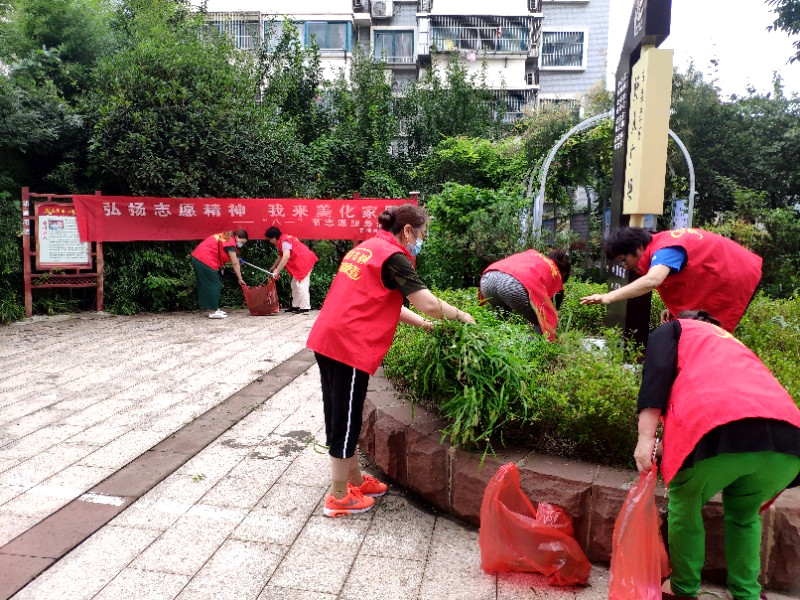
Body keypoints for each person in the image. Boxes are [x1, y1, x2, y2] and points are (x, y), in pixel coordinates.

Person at [306, 204, 476, 518]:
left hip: (329, 337)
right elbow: (429, 304)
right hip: (349, 345)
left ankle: (354, 479)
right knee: (345, 419)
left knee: (341, 411)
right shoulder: (394, 257)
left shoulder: (369, 249)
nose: (420, 241)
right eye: (421, 234)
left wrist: (426, 326)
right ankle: (339, 496)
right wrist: (464, 317)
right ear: (408, 230)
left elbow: (389, 303)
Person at [634, 310, 800, 600]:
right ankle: (747, 592)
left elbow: (658, 374)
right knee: (745, 514)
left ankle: (682, 588)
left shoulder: (673, 330)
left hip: (719, 427)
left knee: (685, 501)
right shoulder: (731, 343)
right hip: (789, 442)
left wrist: (645, 438)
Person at [580, 227, 762, 332]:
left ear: (639, 247)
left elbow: (653, 280)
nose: (625, 266)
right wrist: (673, 307)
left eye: (624, 260)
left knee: (711, 334)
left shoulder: (665, 249)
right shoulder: (661, 244)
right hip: (731, 274)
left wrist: (609, 297)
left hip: (738, 276)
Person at [479, 249, 571, 341]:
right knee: (542, 323)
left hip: (488, 278)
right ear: (564, 273)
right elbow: (552, 308)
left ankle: (490, 341)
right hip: (511, 284)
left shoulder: (534, 255)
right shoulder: (556, 273)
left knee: (501, 315)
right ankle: (531, 348)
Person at [191, 229, 248, 319]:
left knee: (210, 284)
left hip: (200, 258)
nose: (241, 245)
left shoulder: (226, 238)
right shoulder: (230, 242)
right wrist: (240, 279)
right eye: (242, 242)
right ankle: (212, 312)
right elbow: (235, 263)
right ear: (237, 237)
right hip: (204, 259)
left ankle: (214, 308)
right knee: (214, 285)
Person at [265, 226, 319, 314]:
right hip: (301, 263)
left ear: (274, 237)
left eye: (270, 239)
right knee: (294, 284)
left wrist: (277, 271)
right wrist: (273, 267)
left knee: (301, 285)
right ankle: (296, 305)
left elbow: (286, 256)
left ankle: (305, 307)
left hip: (304, 262)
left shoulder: (285, 241)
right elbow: (281, 256)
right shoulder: (283, 240)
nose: (270, 241)